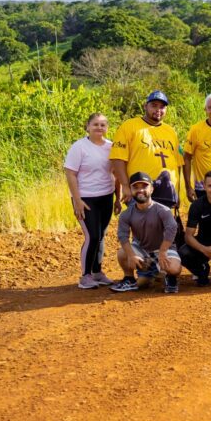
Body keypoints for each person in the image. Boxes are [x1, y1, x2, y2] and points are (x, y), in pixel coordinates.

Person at [64, 112, 120, 289]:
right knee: (92, 236)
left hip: (106, 196)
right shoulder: (79, 147)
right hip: (86, 198)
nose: (99, 127)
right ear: (88, 127)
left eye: (103, 125)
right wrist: (77, 200)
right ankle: (85, 276)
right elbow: (70, 173)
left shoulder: (111, 147)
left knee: (101, 236)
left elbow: (116, 174)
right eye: (95, 124)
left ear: (107, 128)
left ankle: (97, 272)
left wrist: (118, 199)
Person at [111, 89, 183, 217]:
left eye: (162, 107)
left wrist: (177, 192)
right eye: (154, 105)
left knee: (165, 227)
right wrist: (125, 186)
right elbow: (117, 158)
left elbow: (178, 163)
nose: (158, 110)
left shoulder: (170, 131)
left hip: (167, 191)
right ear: (145, 106)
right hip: (140, 189)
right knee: (142, 226)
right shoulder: (129, 126)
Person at [110, 172, 182, 293]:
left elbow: (172, 229)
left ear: (152, 189)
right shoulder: (126, 214)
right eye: (135, 187)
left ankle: (169, 277)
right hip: (142, 250)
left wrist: (163, 251)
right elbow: (123, 236)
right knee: (122, 253)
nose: (140, 190)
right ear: (130, 190)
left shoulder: (163, 210)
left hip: (164, 248)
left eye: (144, 186)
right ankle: (129, 278)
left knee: (174, 268)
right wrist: (131, 255)